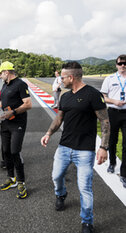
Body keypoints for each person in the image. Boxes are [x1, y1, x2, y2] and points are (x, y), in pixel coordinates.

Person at [40, 61, 110, 233]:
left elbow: (105, 121)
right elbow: (59, 119)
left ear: (71, 77)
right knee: (56, 177)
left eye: (62, 77)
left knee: (84, 187)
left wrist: (104, 147)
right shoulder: (65, 96)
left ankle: (87, 222)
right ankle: (61, 194)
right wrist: (48, 133)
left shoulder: (93, 95)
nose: (60, 80)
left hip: (85, 150)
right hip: (64, 147)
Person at [0, 61, 32, 199]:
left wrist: (12, 112)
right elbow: (1, 104)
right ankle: (11, 178)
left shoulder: (20, 84)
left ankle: (21, 182)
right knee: (5, 151)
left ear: (6, 72)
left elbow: (28, 104)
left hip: (18, 123)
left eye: (0, 73)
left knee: (15, 152)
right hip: (5, 123)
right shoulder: (4, 85)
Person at [100, 54, 126, 188]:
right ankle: (112, 162)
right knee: (112, 140)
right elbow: (103, 97)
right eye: (120, 63)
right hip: (113, 112)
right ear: (116, 65)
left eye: (125, 63)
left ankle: (124, 174)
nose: (123, 65)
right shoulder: (110, 79)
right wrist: (114, 101)